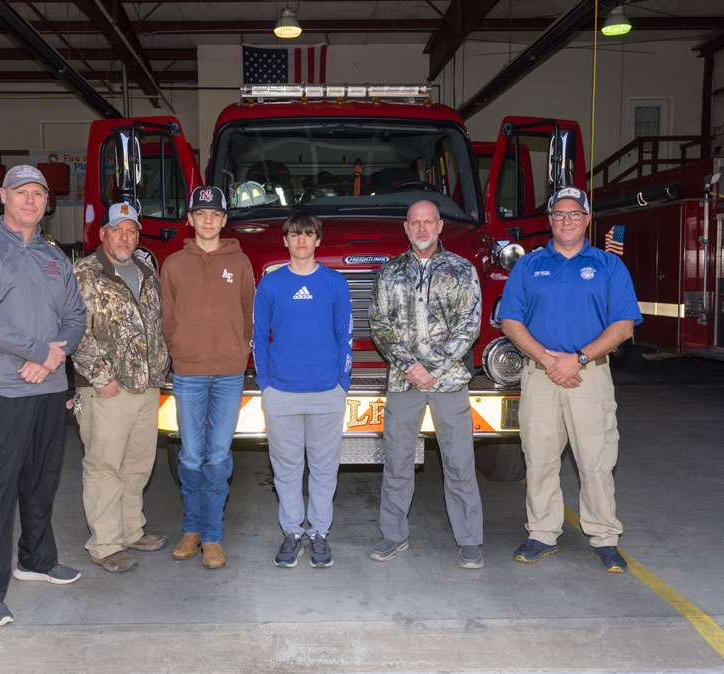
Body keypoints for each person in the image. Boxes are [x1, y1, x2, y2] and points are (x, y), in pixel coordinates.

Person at [0, 164, 87, 628]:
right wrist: (39, 352)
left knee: (42, 479)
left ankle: (36, 559)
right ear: (3, 197)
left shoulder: (54, 256)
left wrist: (55, 357)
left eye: (38, 193)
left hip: (49, 386)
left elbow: (76, 315)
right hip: (1, 386)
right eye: (21, 192)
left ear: (47, 202)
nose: (31, 200)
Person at [499, 186, 642, 573]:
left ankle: (604, 537)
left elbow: (624, 325)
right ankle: (542, 533)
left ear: (587, 220)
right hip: (540, 376)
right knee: (540, 457)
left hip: (589, 377)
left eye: (575, 214)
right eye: (559, 214)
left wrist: (578, 359)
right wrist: (547, 358)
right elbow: (510, 320)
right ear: (549, 221)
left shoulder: (609, 266)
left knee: (596, 459)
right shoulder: (528, 266)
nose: (567, 221)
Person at [368, 199, 485, 569]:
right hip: (404, 383)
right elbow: (379, 324)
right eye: (415, 223)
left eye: (428, 222)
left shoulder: (462, 269)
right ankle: (393, 535)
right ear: (406, 228)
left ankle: (469, 540)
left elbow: (471, 324)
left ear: (439, 227)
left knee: (459, 463)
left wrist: (432, 367)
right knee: (398, 461)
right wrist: (410, 366)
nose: (421, 229)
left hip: (449, 382)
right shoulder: (390, 272)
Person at [71, 202, 171, 573]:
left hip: (146, 387)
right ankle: (105, 544)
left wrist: (160, 369)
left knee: (138, 465)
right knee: (104, 466)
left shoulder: (147, 271)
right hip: (106, 389)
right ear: (103, 234)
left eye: (131, 230)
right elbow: (72, 330)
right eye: (117, 230)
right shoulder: (85, 272)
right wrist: (100, 377)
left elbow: (155, 324)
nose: (124, 237)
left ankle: (132, 531)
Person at [159, 186, 255, 570]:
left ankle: (212, 536)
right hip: (189, 372)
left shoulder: (242, 262)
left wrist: (239, 350)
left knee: (218, 457)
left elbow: (248, 312)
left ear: (224, 220)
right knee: (190, 456)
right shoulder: (174, 265)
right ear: (191, 219)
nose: (208, 220)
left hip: (230, 373)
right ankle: (191, 529)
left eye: (215, 214)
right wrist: (180, 349)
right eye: (201, 214)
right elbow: (167, 318)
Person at [253, 212, 352, 568]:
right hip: (282, 394)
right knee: (287, 469)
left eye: (308, 234)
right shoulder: (271, 284)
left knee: (325, 469)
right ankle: (293, 532)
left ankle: (320, 534)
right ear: (285, 240)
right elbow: (258, 340)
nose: (301, 241)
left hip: (327, 392)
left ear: (318, 240)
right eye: (295, 234)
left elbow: (346, 337)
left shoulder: (335, 283)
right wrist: (265, 385)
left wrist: (343, 384)